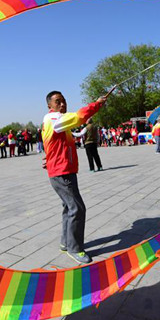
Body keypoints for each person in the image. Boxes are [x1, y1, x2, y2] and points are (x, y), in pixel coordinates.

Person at [42, 90, 107, 265]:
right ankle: (74, 248)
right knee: (77, 208)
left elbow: (54, 145)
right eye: (58, 102)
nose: (62, 104)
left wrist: (48, 157)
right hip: (61, 172)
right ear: (50, 105)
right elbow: (79, 116)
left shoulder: (58, 123)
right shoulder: (53, 118)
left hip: (64, 170)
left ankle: (66, 242)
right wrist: (97, 103)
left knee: (69, 207)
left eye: (64, 101)